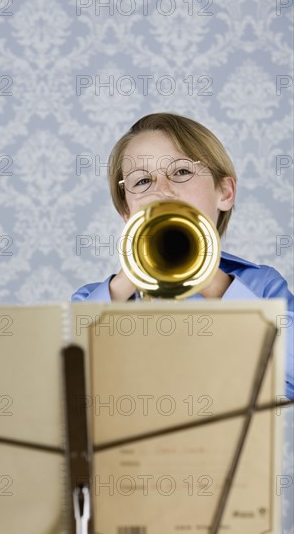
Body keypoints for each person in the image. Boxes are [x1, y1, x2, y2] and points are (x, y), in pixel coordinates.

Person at [71, 113, 293, 399]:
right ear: (127, 213)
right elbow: (67, 388)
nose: (162, 190)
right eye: (141, 182)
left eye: (181, 172)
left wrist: (215, 284)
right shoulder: (94, 299)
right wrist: (125, 283)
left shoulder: (262, 287)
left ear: (224, 192)